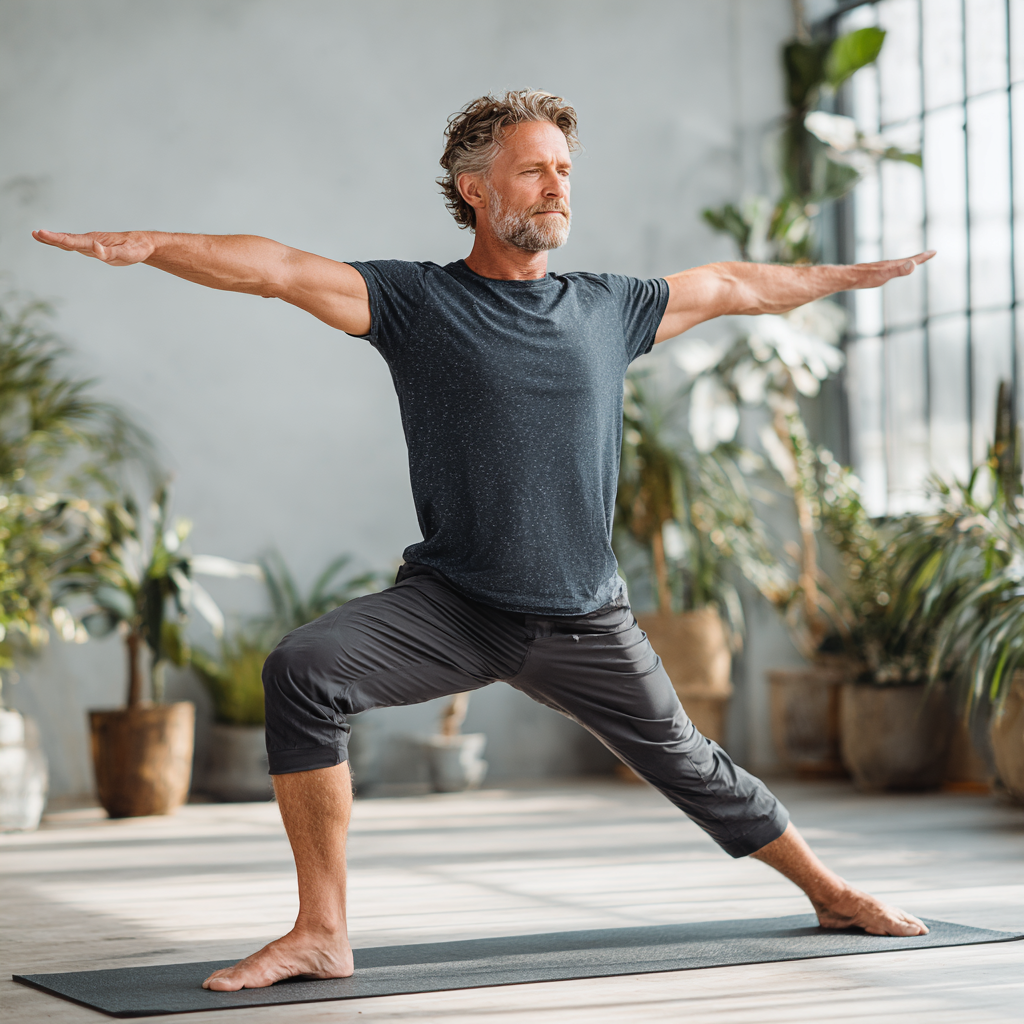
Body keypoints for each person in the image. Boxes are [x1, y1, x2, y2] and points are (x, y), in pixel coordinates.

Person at [34, 89, 933, 992]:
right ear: (473, 188)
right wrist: (152, 246)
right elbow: (275, 267)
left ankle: (829, 891)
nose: (557, 187)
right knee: (303, 671)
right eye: (534, 169)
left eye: (566, 171)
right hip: (455, 607)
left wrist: (842, 277)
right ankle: (321, 930)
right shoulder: (418, 302)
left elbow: (735, 285)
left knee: (694, 765)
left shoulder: (610, 309)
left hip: (585, 618)